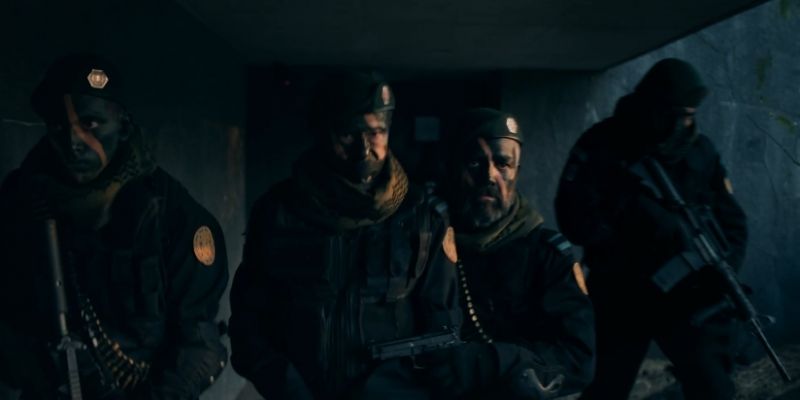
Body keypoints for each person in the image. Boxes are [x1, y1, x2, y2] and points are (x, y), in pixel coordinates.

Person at [0, 53, 229, 399]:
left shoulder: (172, 216)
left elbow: (199, 344)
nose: (74, 141)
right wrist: (41, 367)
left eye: (91, 124)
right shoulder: (21, 202)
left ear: (122, 127)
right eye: (59, 125)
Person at [228, 72, 462, 399]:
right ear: (322, 133)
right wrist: (289, 389)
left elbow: (443, 330)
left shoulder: (423, 215)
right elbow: (249, 323)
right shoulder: (279, 212)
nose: (363, 150)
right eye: (348, 134)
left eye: (376, 132)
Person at [555, 58, 748, 400]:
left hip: (686, 299)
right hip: (621, 293)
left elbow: (733, 223)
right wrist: (630, 236)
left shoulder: (700, 152)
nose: (686, 124)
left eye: (690, 114)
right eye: (679, 114)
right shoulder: (601, 144)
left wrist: (721, 270)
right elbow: (572, 216)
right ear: (655, 110)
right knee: (605, 388)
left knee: (713, 388)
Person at [435, 108, 595, 399]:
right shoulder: (429, 243)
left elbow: (578, 359)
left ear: (517, 172)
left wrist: (497, 361)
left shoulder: (547, 255)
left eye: (503, 164)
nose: (489, 175)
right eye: (475, 162)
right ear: (453, 168)